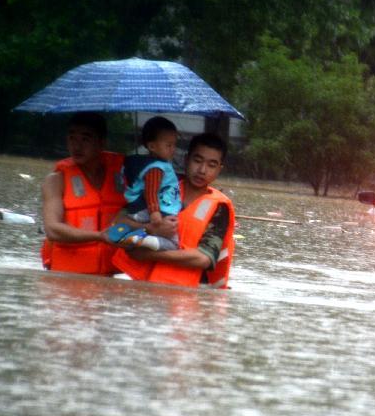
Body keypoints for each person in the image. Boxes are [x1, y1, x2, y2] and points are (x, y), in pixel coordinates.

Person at [112, 133, 236, 289]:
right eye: (197, 161)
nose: (202, 170)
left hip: (187, 294)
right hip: (140, 286)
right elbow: (118, 221)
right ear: (186, 159)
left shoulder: (219, 207)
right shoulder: (158, 185)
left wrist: (149, 255)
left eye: (211, 165)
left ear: (219, 169)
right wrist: (150, 228)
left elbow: (203, 258)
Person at [40, 112, 128, 275]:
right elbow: (52, 229)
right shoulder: (55, 181)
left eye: (85, 139)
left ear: (101, 143)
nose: (77, 146)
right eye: (72, 138)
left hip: (108, 280)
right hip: (65, 280)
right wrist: (99, 236)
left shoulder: (123, 178)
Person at [109, 116, 182, 251]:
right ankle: (144, 240)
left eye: (174, 144)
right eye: (168, 145)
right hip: (150, 211)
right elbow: (151, 190)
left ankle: (137, 236)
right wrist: (154, 212)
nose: (173, 149)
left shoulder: (158, 164)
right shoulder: (156, 168)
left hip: (143, 209)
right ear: (152, 146)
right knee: (173, 243)